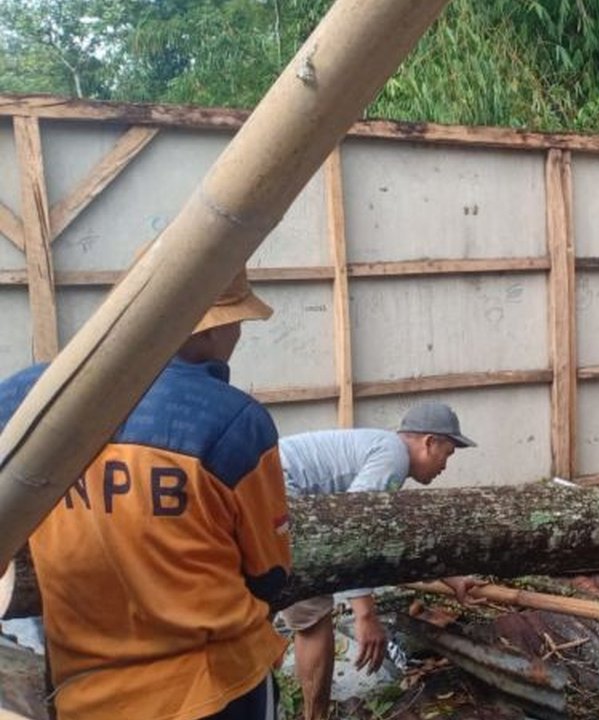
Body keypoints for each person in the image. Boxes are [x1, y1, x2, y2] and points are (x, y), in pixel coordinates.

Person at [0, 267, 292, 720]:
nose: (237, 334)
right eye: (237, 322)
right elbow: (269, 572)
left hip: (87, 692)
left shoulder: (25, 397)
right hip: (214, 688)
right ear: (209, 330)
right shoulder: (234, 421)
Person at [277, 401, 477, 720]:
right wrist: (366, 615)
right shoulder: (392, 457)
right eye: (448, 454)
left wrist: (452, 578)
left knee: (282, 607)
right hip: (280, 493)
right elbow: (354, 532)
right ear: (429, 442)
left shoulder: (384, 453)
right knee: (314, 617)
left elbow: (396, 541)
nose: (445, 466)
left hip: (269, 486)